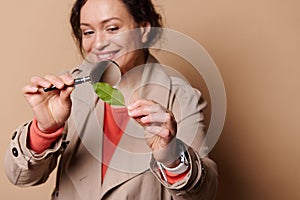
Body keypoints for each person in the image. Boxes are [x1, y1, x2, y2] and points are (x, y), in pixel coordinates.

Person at [4, 0, 218, 199]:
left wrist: (171, 156)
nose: (98, 43)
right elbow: (21, 177)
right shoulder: (68, 92)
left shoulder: (181, 96)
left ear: (143, 29)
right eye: (88, 32)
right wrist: (44, 130)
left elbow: (204, 193)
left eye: (112, 28)